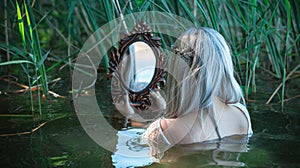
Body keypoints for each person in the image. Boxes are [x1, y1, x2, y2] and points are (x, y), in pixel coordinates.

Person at [115, 27, 253, 155]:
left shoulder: (163, 130)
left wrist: (130, 115)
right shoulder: (241, 115)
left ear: (179, 69)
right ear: (225, 65)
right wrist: (161, 113)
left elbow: (138, 147)